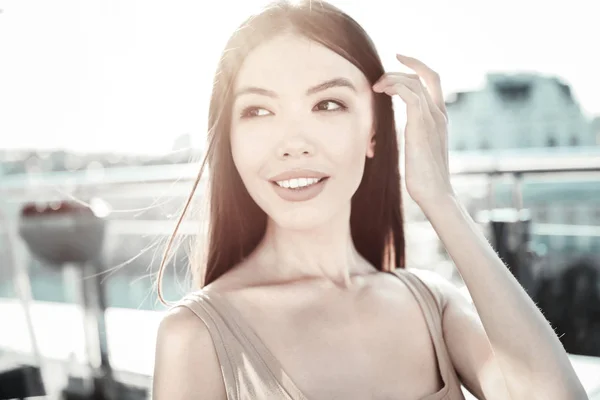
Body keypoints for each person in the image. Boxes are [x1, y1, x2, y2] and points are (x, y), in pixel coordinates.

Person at [151, 1, 587, 399]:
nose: (293, 144)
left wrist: (441, 200)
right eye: (259, 111)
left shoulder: (433, 304)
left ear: (374, 132)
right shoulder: (195, 337)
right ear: (230, 140)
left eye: (327, 104)